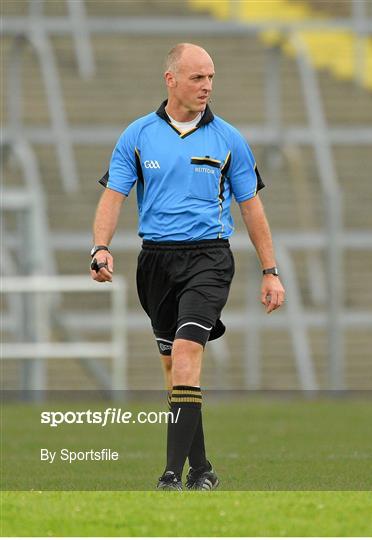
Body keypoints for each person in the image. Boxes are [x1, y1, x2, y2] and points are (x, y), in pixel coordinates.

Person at [90, 43, 285, 491]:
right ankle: (202, 469)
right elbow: (113, 196)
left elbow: (252, 208)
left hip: (209, 259)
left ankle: (169, 478)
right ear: (171, 79)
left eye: (211, 77)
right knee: (175, 372)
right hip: (155, 262)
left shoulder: (229, 139)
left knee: (185, 356)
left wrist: (270, 270)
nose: (207, 86)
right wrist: (100, 247)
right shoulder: (137, 135)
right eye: (198, 78)